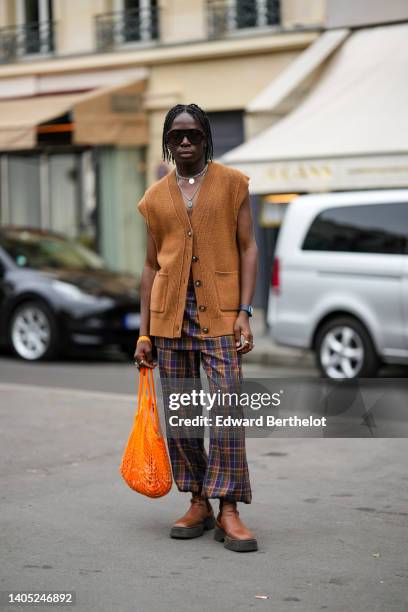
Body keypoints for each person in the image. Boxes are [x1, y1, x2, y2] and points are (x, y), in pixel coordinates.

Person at [134, 103, 259, 553]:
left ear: (206, 138)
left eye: (193, 134)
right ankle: (199, 499)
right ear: (168, 142)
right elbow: (150, 267)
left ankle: (230, 508)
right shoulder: (154, 198)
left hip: (220, 314)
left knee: (226, 408)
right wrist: (144, 332)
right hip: (168, 317)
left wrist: (244, 310)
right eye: (177, 135)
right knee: (183, 415)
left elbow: (248, 248)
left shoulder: (232, 185)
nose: (185, 141)